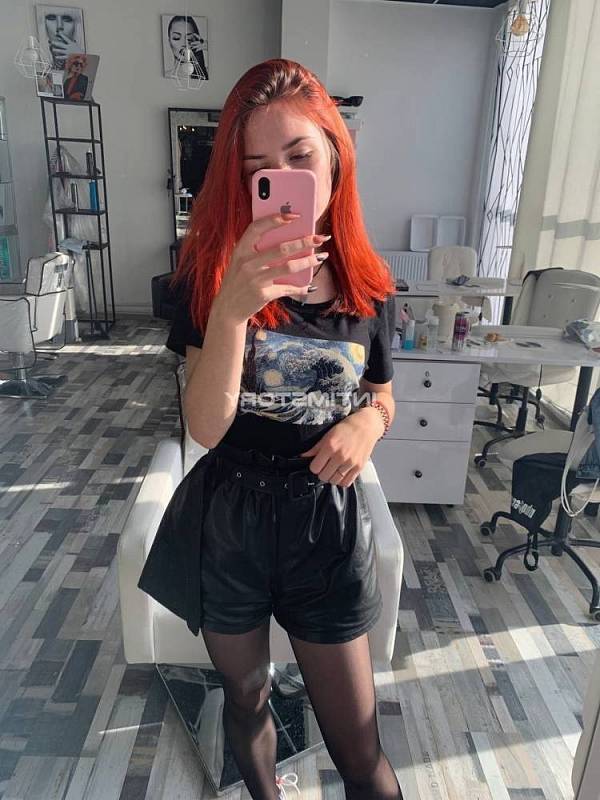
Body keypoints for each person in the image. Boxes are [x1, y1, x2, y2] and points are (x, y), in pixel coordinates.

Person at [138, 58, 402, 800]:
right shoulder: (207, 277)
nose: (282, 181)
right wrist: (232, 307)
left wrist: (369, 425)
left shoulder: (369, 287)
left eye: (299, 157)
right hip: (231, 519)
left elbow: (382, 394)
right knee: (247, 696)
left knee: (360, 750)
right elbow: (205, 427)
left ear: (335, 158)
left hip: (325, 524)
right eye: (259, 170)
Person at [164, 15, 208, 80]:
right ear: (169, 42)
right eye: (176, 38)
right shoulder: (166, 75)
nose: (184, 44)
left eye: (189, 39)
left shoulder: (206, 73)